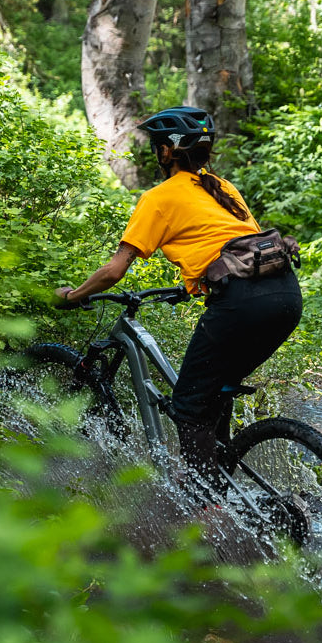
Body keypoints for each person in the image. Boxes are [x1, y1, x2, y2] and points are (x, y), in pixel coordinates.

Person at [56, 106, 302, 478]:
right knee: (215, 391)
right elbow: (234, 246)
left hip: (242, 304)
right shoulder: (223, 187)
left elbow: (115, 270)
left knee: (188, 405)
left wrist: (72, 296)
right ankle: (221, 478)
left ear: (167, 150)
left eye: (156, 146)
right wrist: (196, 282)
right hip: (285, 296)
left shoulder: (159, 198)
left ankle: (205, 503)